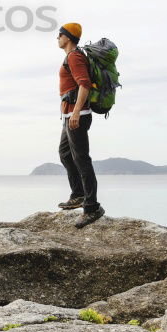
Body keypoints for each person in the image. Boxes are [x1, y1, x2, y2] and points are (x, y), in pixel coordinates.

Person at [55, 22, 105, 228]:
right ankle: (78, 194)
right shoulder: (70, 57)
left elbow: (84, 84)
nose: (57, 38)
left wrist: (76, 112)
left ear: (68, 37)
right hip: (69, 115)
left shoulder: (75, 56)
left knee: (81, 159)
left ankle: (92, 206)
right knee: (65, 154)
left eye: (59, 35)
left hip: (78, 114)